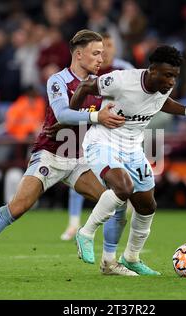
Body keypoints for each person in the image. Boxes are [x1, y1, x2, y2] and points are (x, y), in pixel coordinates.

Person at [0, 30, 136, 280]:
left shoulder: (101, 84)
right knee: (18, 207)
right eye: (96, 53)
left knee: (115, 201)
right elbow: (62, 115)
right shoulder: (58, 80)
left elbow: (107, 114)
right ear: (79, 55)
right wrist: (96, 116)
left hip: (79, 159)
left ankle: (109, 262)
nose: (102, 58)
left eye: (102, 53)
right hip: (49, 155)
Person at [71, 45, 186, 275]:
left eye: (175, 76)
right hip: (102, 141)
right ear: (152, 70)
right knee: (123, 187)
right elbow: (84, 86)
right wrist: (70, 120)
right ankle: (86, 233)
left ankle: (131, 257)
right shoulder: (121, 81)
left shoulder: (162, 88)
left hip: (132, 148)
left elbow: (162, 103)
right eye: (167, 75)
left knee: (147, 205)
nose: (172, 82)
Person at [61, 32, 134, 241]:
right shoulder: (90, 71)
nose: (107, 51)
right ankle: (74, 223)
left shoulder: (125, 69)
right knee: (79, 169)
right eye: (102, 47)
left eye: (110, 45)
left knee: (123, 180)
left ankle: (116, 221)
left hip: (120, 131)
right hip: (92, 127)